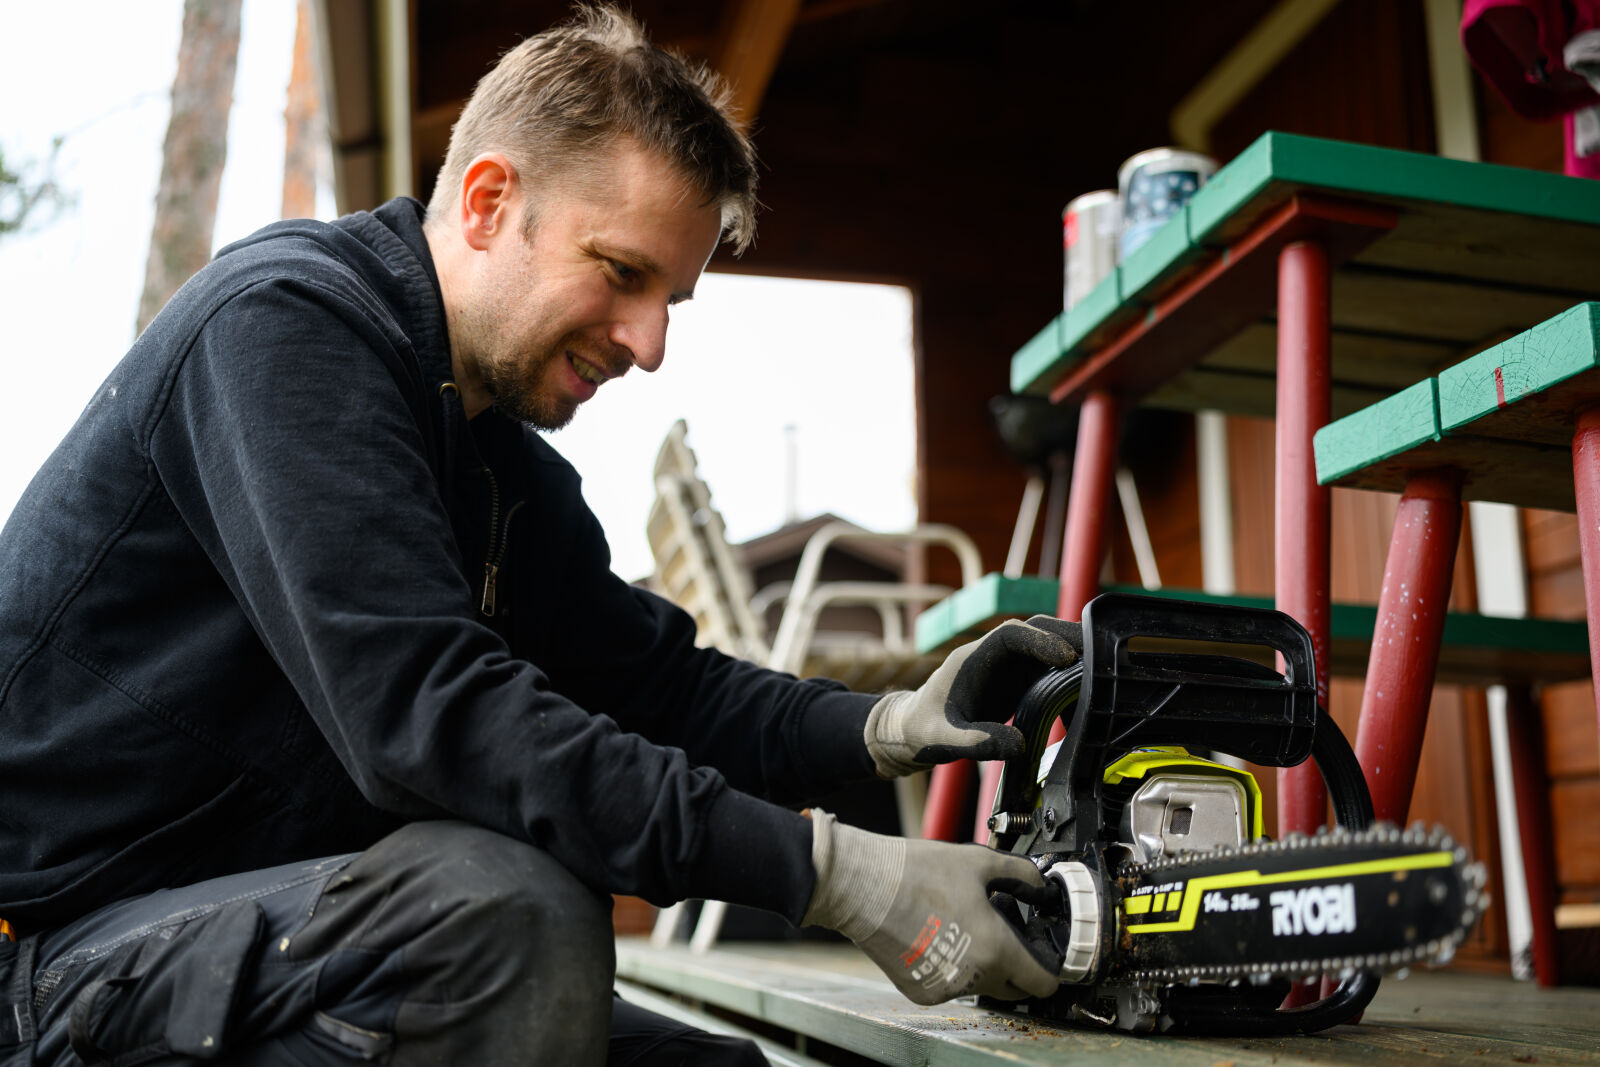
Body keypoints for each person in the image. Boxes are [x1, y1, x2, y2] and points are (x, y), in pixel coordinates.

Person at [0, 6, 1079, 1064]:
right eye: (621, 272)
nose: (650, 343)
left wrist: (888, 722)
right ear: (485, 201)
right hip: (55, 952)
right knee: (511, 910)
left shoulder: (500, 471)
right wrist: (836, 874)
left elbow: (669, 689)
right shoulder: (283, 329)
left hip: (265, 935)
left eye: (675, 300)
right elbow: (430, 712)